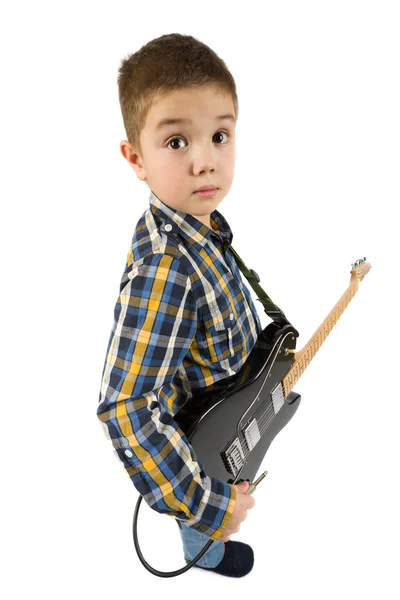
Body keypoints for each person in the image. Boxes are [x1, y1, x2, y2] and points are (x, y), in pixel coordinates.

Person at [97, 33, 262, 577]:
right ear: (135, 158)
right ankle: (202, 547)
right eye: (176, 143)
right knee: (210, 497)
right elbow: (126, 409)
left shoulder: (198, 222)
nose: (205, 163)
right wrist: (207, 503)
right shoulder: (165, 269)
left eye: (219, 136)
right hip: (201, 437)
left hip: (231, 404)